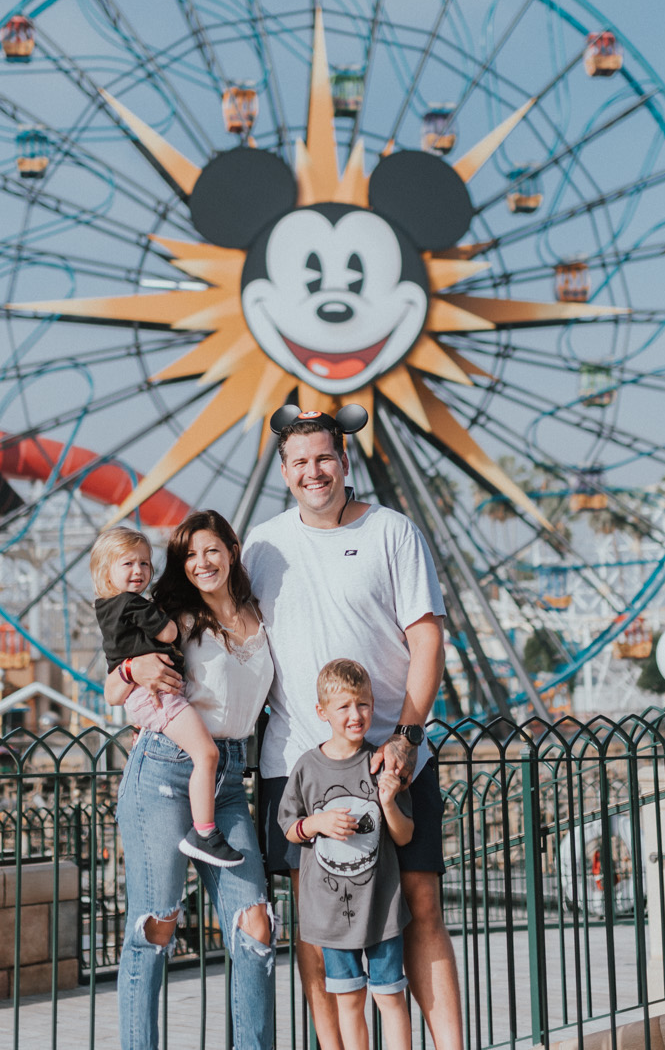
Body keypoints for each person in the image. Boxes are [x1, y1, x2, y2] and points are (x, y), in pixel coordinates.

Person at [243, 410, 464, 1050]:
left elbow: (427, 640)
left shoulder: (393, 531)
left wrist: (407, 735)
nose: (313, 472)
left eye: (324, 458)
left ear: (344, 460)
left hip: (392, 758)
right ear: (284, 472)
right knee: (316, 926)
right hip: (299, 760)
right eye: (299, 462)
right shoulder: (262, 545)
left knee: (421, 907)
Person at [106, 510, 276, 1050]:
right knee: (158, 924)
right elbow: (112, 686)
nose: (202, 563)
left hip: (227, 778)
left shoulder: (260, 612)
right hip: (164, 769)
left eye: (212, 550)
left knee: (256, 926)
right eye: (190, 556)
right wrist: (134, 671)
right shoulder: (172, 614)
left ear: (232, 550)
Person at [276, 659, 416, 1050]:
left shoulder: (384, 762)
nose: (355, 715)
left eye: (364, 704)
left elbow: (404, 836)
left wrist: (388, 801)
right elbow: (288, 826)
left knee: (390, 997)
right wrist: (317, 823)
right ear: (322, 712)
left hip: (381, 908)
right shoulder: (306, 767)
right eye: (344, 707)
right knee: (349, 1001)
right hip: (330, 915)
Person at [90, 526, 242, 867]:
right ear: (106, 570)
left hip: (148, 698)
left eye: (145, 564)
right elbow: (169, 632)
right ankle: (204, 833)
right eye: (128, 564)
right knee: (206, 753)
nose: (139, 571)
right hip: (156, 696)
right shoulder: (132, 604)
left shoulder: (107, 607)